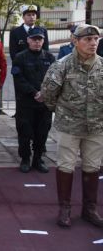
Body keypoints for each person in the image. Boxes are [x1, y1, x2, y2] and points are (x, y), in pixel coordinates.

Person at [41, 24, 103, 229]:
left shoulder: (102, 66)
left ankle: (90, 209)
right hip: (69, 126)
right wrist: (63, 113)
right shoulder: (61, 66)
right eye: (88, 39)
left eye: (96, 39)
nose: (93, 43)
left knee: (93, 166)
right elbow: (48, 95)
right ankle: (65, 208)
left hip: (96, 127)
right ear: (75, 41)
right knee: (65, 166)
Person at [11, 27, 55, 173]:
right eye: (34, 39)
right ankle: (25, 159)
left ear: (43, 40)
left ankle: (38, 159)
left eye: (40, 39)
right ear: (28, 40)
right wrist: (35, 92)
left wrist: (44, 93)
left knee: (42, 132)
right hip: (26, 103)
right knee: (25, 132)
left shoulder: (49, 57)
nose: (37, 42)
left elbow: (54, 79)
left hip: (44, 103)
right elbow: (19, 79)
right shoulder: (20, 57)